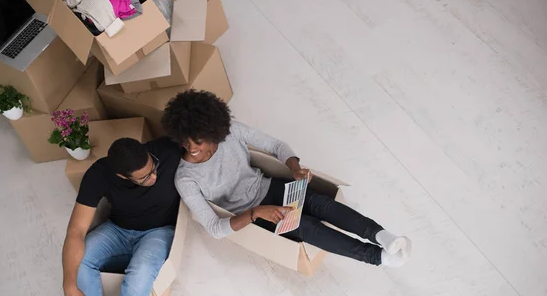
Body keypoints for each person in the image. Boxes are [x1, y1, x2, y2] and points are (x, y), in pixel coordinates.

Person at [161, 90, 411, 268]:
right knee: (309, 228)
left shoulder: (231, 131)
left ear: (214, 131)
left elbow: (276, 145)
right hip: (255, 215)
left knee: (321, 204)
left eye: (199, 139)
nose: (192, 147)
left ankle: (382, 236)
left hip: (271, 187)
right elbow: (215, 229)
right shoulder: (186, 179)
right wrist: (256, 213)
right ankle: (378, 258)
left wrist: (294, 168)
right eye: (186, 141)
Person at [61, 136, 181, 296]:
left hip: (159, 232)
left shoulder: (166, 151)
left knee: (139, 277)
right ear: (123, 176)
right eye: (144, 178)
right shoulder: (99, 174)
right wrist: (68, 283)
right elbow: (76, 232)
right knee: (81, 263)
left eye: (153, 169)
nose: (154, 178)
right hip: (118, 230)